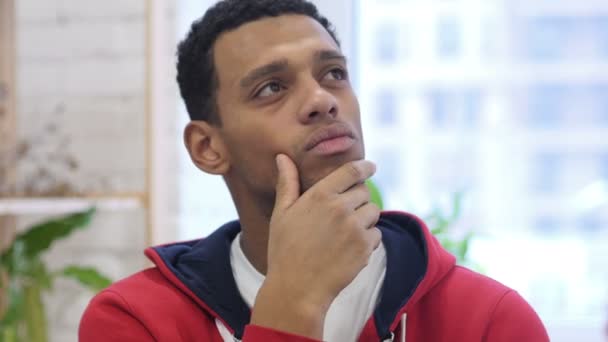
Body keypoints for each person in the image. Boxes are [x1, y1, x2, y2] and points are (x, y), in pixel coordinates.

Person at [79, 0, 549, 341]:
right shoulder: (135, 321)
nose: (322, 99)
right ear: (207, 147)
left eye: (334, 74)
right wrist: (293, 306)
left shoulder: (490, 320)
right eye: (271, 88)